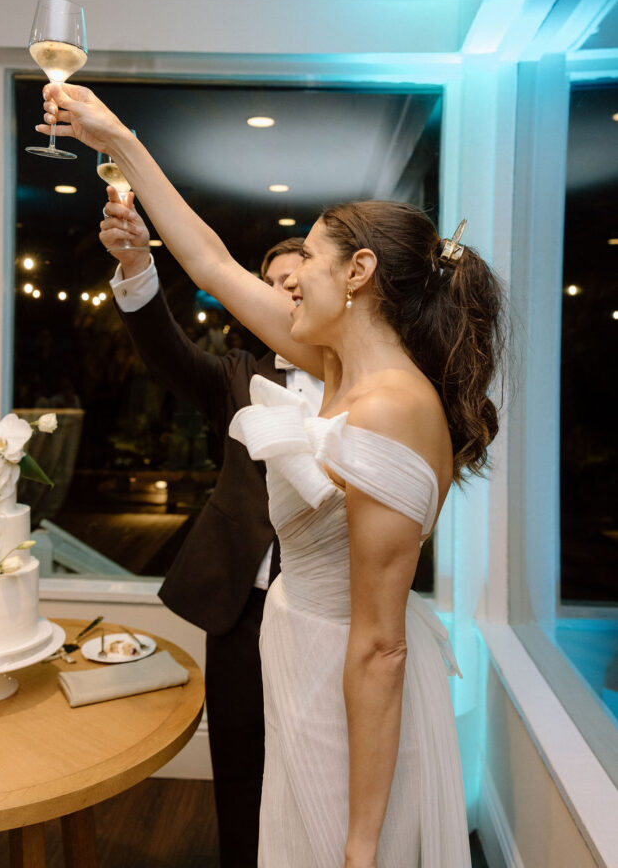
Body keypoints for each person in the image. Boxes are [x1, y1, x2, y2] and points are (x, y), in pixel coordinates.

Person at [38, 84, 505, 868]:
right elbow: (212, 261)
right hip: (295, 664)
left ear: (358, 272)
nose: (292, 287)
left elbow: (381, 647)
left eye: (309, 265)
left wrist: (360, 842)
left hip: (341, 691)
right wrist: (117, 139)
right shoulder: (335, 364)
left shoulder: (391, 406)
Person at [99, 207, 323, 868]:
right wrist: (137, 268)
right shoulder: (235, 374)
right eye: (274, 281)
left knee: (315, 762)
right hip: (241, 609)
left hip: (325, 609)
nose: (287, 290)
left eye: (298, 278)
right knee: (240, 762)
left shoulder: (360, 375)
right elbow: (165, 350)